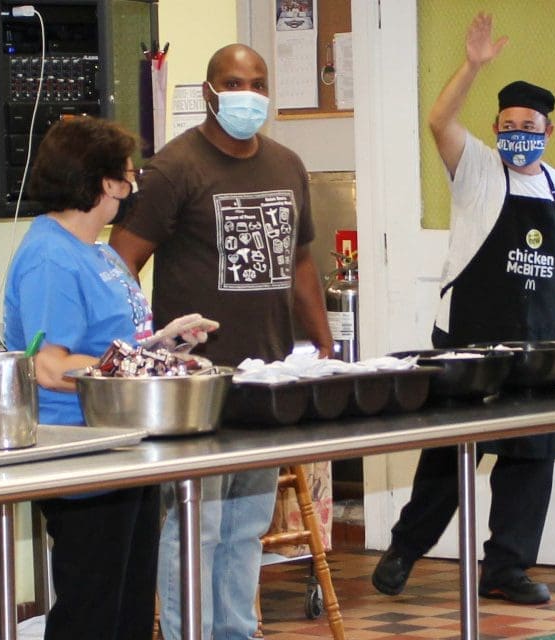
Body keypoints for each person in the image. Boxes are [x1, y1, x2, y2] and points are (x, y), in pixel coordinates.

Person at [371, 13, 555, 606]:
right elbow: (437, 120)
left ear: (549, 132)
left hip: (540, 346)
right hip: (469, 340)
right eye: (508, 124)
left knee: (532, 459)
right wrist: (472, 65)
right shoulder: (475, 170)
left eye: (530, 125)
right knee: (449, 453)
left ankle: (506, 570)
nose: (518, 132)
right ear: (494, 129)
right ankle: (404, 550)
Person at [110, 43, 333, 640]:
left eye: (258, 83)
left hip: (268, 378)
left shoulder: (287, 165)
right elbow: (121, 260)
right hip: (196, 384)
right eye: (234, 83)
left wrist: (323, 342)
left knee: (247, 521)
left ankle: (237, 631)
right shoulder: (174, 168)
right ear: (209, 91)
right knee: (196, 524)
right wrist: (143, 347)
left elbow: (302, 260)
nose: (248, 94)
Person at [3, 116, 164, 640]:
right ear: (104, 182)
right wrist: (131, 370)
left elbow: (114, 346)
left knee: (130, 604)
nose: (132, 182)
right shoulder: (51, 257)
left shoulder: (96, 252)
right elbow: (50, 366)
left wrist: (162, 347)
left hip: (122, 443)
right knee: (94, 610)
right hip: (78, 451)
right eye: (127, 173)